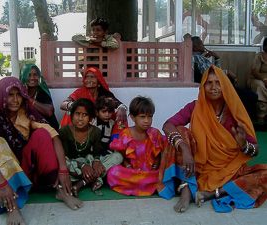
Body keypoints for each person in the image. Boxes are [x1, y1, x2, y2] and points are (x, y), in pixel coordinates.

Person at [158, 65, 267, 213]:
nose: (213, 87)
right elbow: (168, 125)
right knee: (180, 132)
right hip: (198, 166)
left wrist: (244, 145)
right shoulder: (195, 107)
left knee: (264, 174)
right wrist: (185, 149)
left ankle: (211, 193)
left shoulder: (234, 111)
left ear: (225, 86)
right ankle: (186, 189)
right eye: (209, 83)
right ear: (203, 85)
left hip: (228, 169)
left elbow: (255, 149)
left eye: (218, 82)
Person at [0, 77, 82, 225]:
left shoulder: (26, 112)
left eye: (18, 94)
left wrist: (63, 170)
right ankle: (12, 207)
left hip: (24, 169)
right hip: (0, 174)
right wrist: (2, 184)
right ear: (1, 95)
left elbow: (54, 136)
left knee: (42, 135)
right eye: (10, 95)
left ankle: (59, 190)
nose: (15, 100)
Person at [58, 98, 123, 197]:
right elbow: (65, 157)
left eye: (85, 115)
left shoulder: (95, 131)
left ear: (91, 118)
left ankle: (82, 182)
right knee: (62, 165)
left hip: (88, 161)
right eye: (77, 114)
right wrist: (82, 166)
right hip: (73, 164)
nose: (80, 118)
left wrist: (96, 161)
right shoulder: (64, 132)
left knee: (118, 156)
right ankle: (93, 178)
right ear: (71, 116)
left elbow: (96, 152)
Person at [107, 96, 166, 196]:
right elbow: (120, 153)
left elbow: (160, 152)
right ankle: (148, 186)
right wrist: (127, 165)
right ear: (132, 117)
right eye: (142, 117)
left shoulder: (155, 133)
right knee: (112, 173)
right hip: (132, 172)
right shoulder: (126, 133)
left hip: (150, 173)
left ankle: (142, 184)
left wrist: (157, 162)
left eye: (150, 116)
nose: (147, 121)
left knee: (164, 174)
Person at [60, 66, 127, 128]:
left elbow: (117, 103)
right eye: (86, 77)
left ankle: (119, 138)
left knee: (121, 116)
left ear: (99, 81)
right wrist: (73, 105)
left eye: (92, 77)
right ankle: (68, 136)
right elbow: (63, 104)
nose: (89, 80)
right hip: (84, 121)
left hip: (101, 122)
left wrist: (121, 108)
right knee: (69, 113)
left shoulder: (104, 93)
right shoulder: (80, 92)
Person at [20, 64, 59, 130]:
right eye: (29, 75)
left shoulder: (42, 91)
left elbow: (49, 112)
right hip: (28, 128)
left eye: (35, 75)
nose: (32, 78)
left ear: (39, 77)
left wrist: (29, 98)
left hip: (49, 129)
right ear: (23, 77)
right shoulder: (19, 93)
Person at [248, 37, 267, 123]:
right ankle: (261, 117)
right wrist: (264, 79)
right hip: (256, 80)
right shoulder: (259, 56)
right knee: (260, 86)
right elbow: (255, 72)